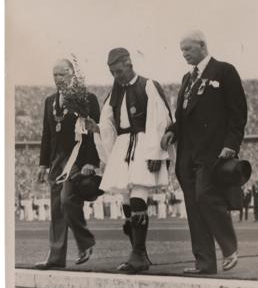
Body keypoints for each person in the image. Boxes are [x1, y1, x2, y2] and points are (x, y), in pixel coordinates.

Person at [161, 30, 247, 274]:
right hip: (187, 155)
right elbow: (183, 118)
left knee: (205, 196)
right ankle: (205, 263)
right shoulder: (187, 80)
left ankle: (229, 247)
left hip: (213, 152)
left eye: (187, 49)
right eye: (181, 50)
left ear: (202, 45)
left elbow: (238, 111)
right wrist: (172, 131)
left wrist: (232, 143)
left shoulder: (224, 71)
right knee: (193, 208)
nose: (184, 54)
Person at [86, 48, 172, 273]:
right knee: (126, 200)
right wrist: (96, 128)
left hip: (144, 144)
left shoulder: (147, 85)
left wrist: (156, 153)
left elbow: (160, 121)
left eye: (119, 71)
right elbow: (108, 123)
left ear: (129, 63)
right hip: (124, 147)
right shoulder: (114, 93)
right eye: (113, 73)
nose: (117, 76)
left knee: (138, 194)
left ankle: (138, 253)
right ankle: (138, 252)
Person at [35, 58, 100, 269]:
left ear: (72, 74)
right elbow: (47, 135)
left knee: (66, 199)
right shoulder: (49, 101)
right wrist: (43, 164)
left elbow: (92, 134)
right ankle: (55, 257)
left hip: (77, 159)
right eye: (54, 75)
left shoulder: (87, 99)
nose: (57, 79)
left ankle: (85, 243)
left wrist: (91, 161)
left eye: (61, 74)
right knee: (56, 208)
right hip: (56, 159)